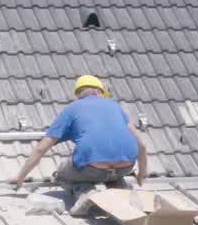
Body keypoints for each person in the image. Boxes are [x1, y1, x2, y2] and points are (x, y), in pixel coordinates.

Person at [9, 74, 148, 192]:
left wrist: (20, 178)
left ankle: (85, 195)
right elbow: (141, 146)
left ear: (78, 95)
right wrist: (141, 175)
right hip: (125, 166)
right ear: (100, 92)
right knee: (113, 174)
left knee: (62, 173)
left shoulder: (72, 109)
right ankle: (119, 189)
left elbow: (41, 148)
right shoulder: (115, 106)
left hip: (92, 168)